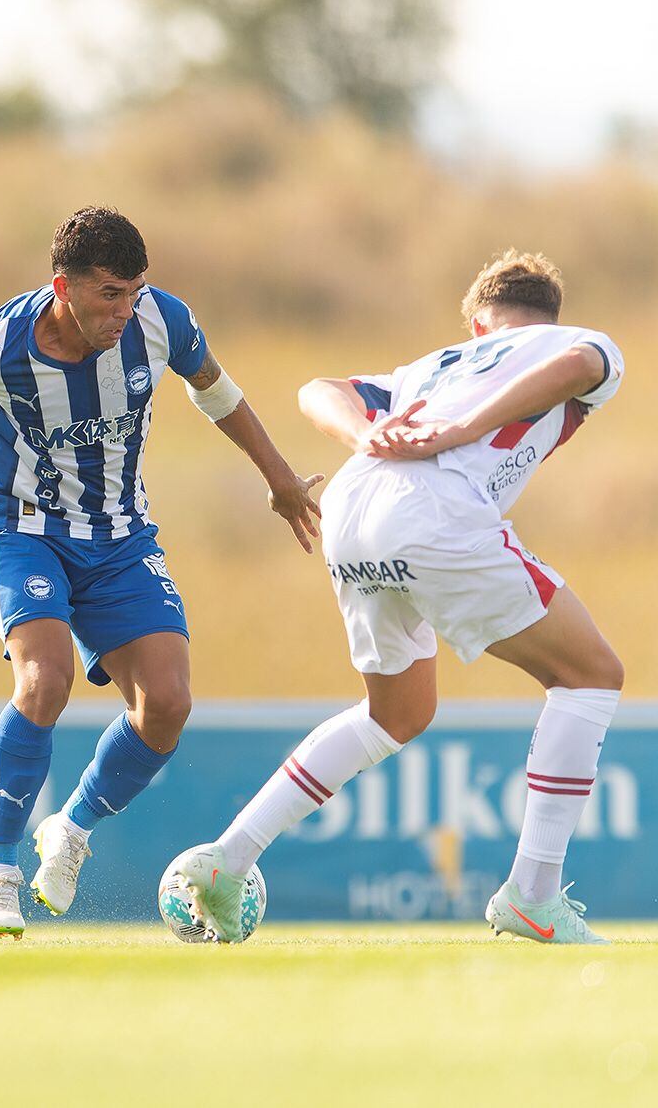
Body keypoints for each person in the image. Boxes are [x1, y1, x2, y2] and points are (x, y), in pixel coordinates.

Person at [0, 208, 324, 937]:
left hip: (121, 537)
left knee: (167, 702)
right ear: (62, 287)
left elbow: (215, 390)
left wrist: (280, 476)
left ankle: (70, 829)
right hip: (24, 531)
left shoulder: (160, 321)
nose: (124, 310)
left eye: (134, 291)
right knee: (45, 682)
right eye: (109, 293)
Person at [171, 250, 626, 944]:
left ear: (478, 324)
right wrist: (463, 431)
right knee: (590, 674)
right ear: (541, 317)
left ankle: (226, 861)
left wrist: (365, 434)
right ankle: (533, 892)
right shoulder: (572, 340)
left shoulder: (436, 365)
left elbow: (316, 387)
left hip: (352, 506)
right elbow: (582, 367)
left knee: (396, 713)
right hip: (433, 508)